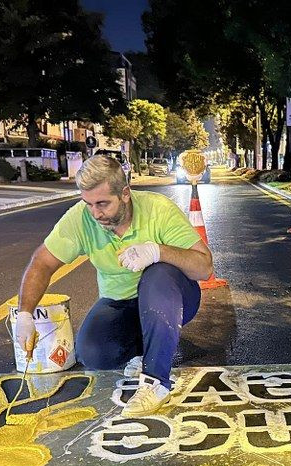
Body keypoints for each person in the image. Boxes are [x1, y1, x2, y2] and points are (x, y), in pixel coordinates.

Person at [13, 154, 213, 417]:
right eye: (89, 204)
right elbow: (41, 263)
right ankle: (144, 349)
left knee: (157, 274)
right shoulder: (82, 219)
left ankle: (156, 382)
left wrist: (157, 251)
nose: (96, 213)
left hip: (173, 297)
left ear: (126, 194)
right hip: (121, 302)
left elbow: (204, 267)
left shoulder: (158, 210)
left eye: (103, 204)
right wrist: (25, 313)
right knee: (93, 353)